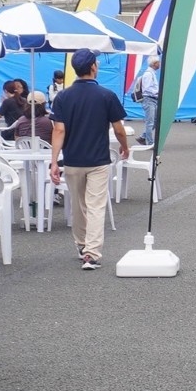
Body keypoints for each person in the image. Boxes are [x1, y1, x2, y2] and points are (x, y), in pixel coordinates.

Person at [49, 49, 130, 271]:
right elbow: (118, 128)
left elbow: (58, 130)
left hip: (72, 159)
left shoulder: (63, 97)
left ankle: (81, 244)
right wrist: (124, 147)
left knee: (78, 206)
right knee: (95, 206)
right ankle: (91, 254)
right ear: (94, 67)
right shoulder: (106, 95)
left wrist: (54, 161)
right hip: (98, 160)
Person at [135, 57, 163, 147]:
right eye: (158, 62)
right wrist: (157, 92)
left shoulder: (151, 73)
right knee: (150, 122)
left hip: (152, 99)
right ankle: (150, 142)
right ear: (154, 64)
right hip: (149, 99)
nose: (159, 64)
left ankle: (143, 137)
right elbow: (146, 88)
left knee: (154, 121)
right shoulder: (148, 74)